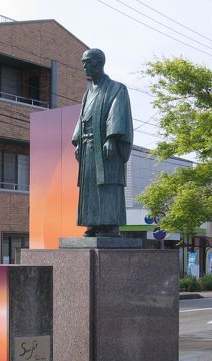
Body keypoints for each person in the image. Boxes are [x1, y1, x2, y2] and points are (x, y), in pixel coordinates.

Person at [72, 48, 133, 238]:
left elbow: (117, 114)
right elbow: (82, 120)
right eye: (83, 62)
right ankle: (93, 224)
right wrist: (79, 143)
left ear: (98, 63)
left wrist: (113, 138)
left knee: (107, 184)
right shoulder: (87, 94)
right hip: (89, 148)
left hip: (108, 149)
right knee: (90, 187)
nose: (84, 66)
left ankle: (109, 225)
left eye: (87, 62)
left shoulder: (117, 88)